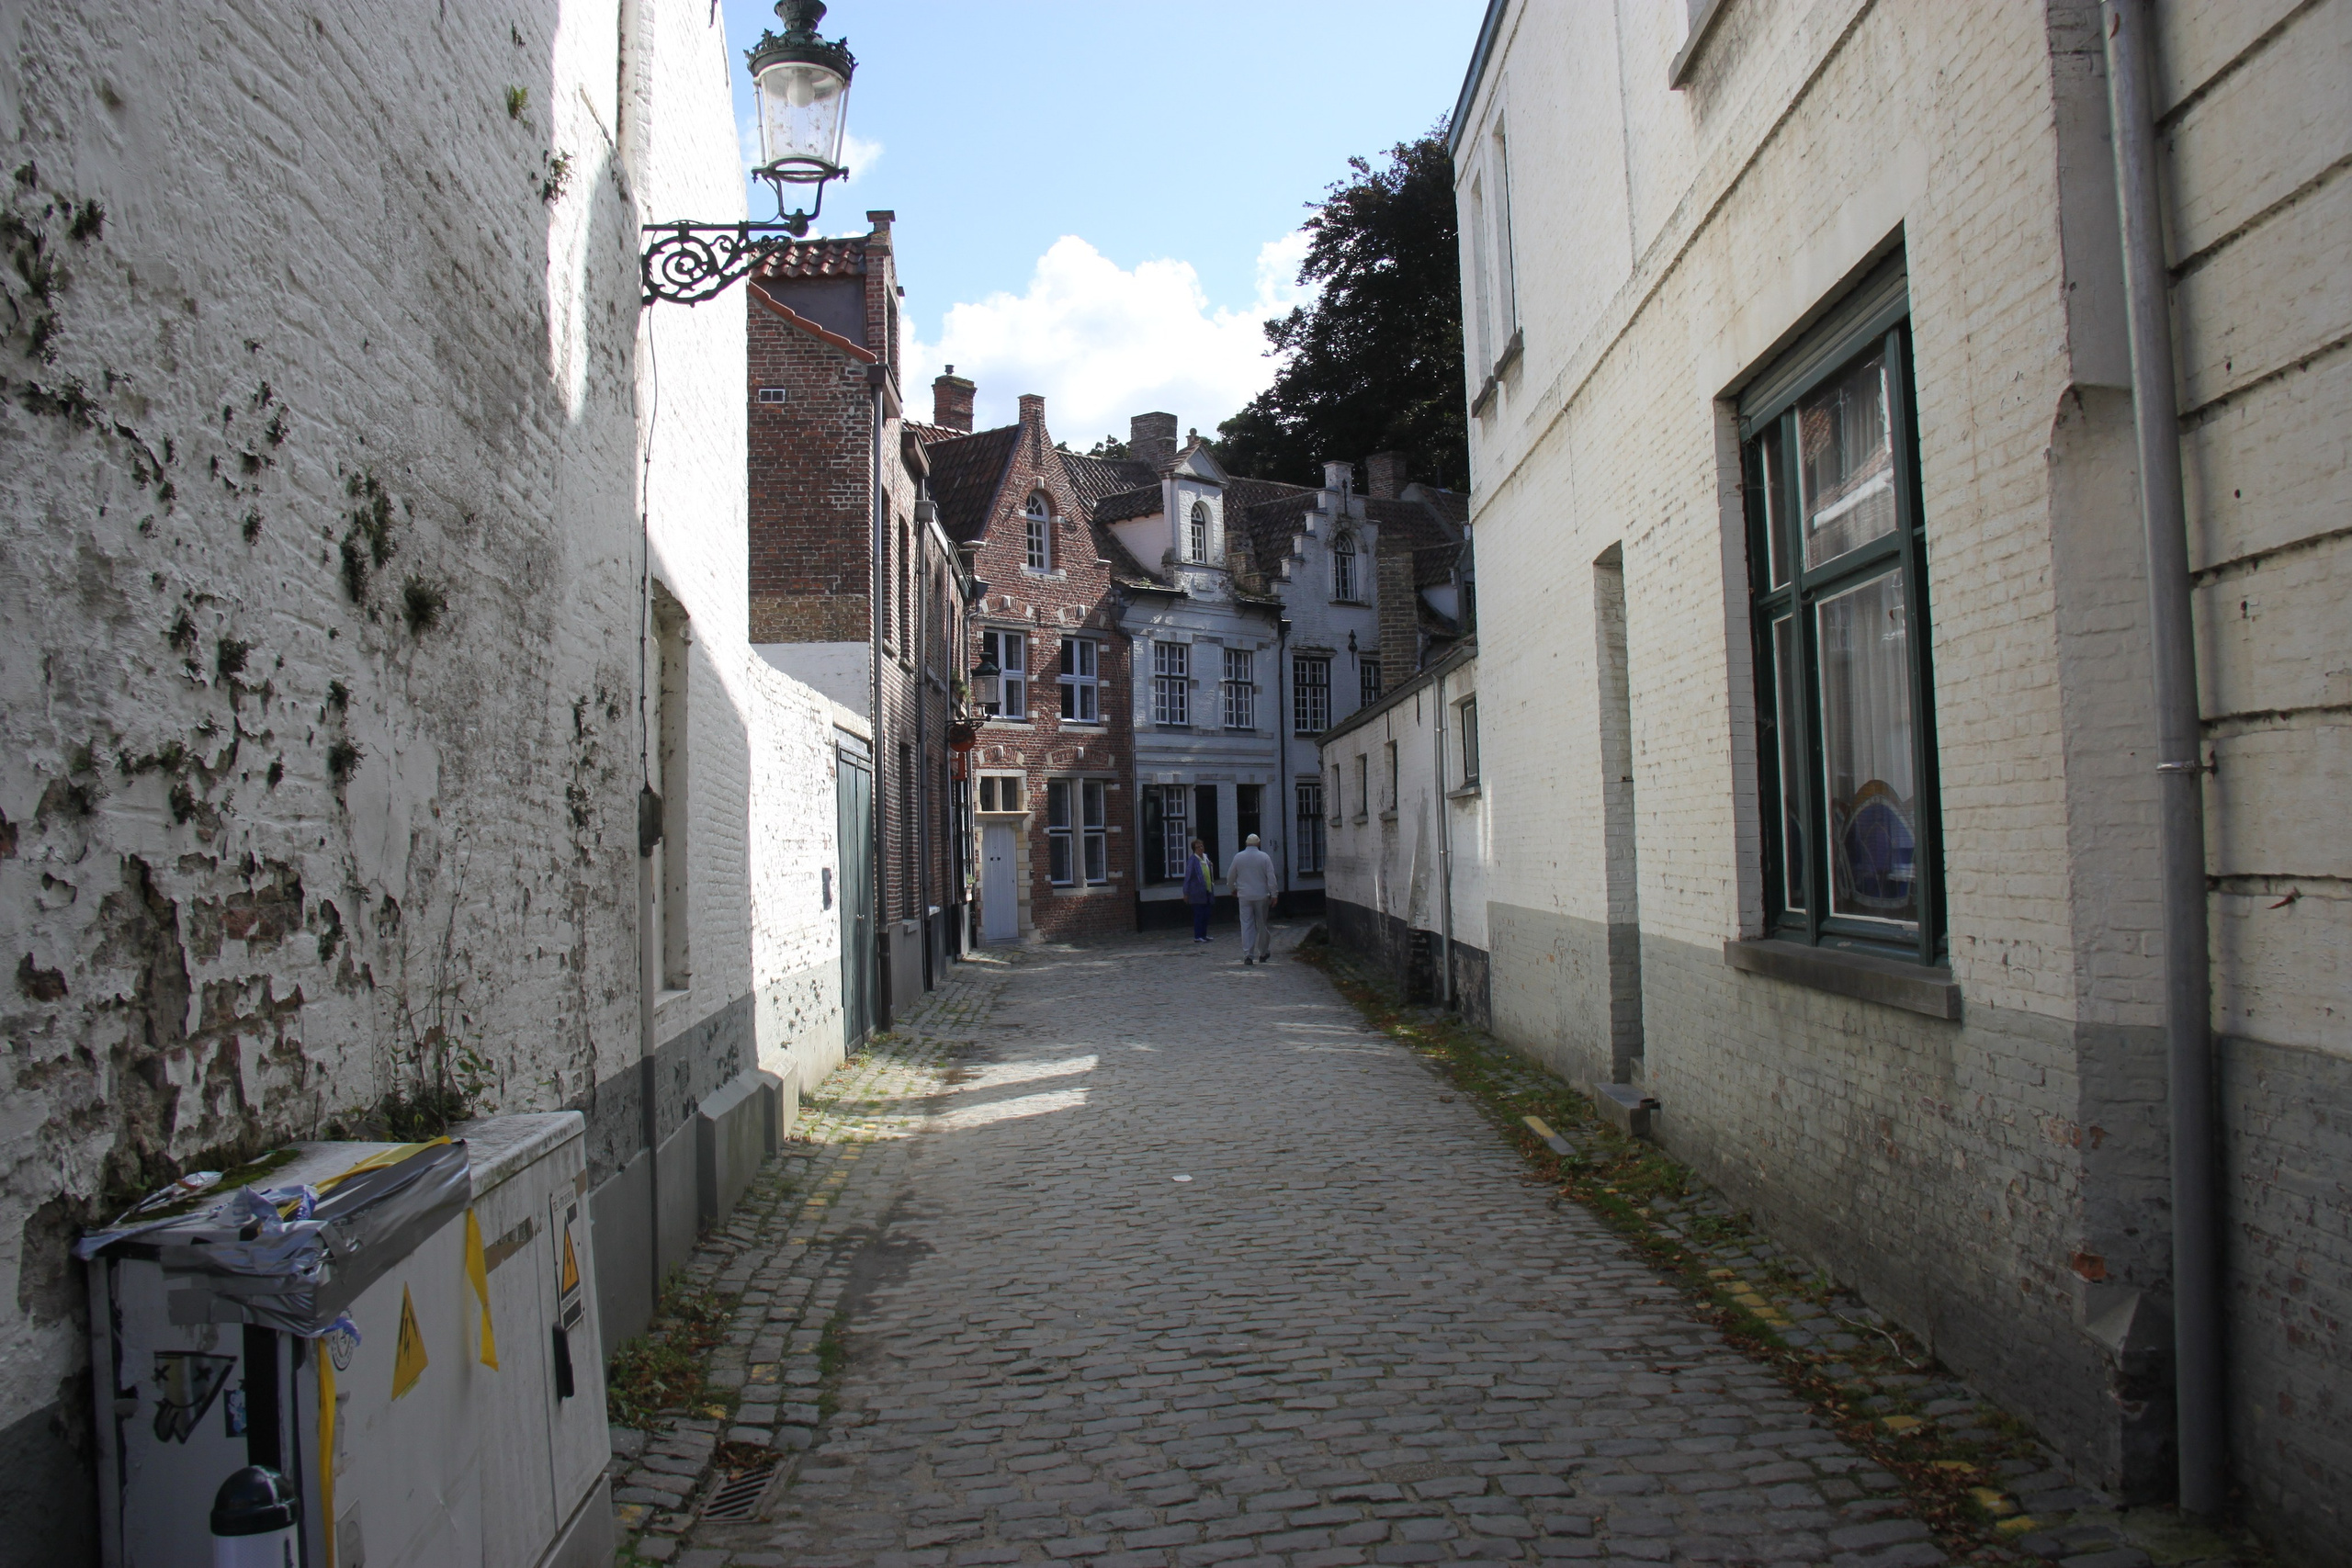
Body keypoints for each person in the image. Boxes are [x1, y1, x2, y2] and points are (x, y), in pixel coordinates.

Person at [1228, 832, 1278, 964]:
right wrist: (1274, 894)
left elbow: (1230, 876)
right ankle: (1263, 952)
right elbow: (1271, 878)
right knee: (1262, 924)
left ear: (1246, 844)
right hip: (1261, 895)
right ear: (1259, 844)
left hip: (1244, 896)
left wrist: (1233, 888)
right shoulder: (1264, 857)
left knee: (1246, 924)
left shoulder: (1238, 857)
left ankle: (1248, 955)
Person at [1182, 837, 1216, 942]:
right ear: (1194, 849)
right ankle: (1198, 936)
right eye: (1198, 847)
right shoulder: (1193, 860)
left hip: (1207, 890)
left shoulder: (1206, 858)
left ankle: (1204, 935)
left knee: (1206, 914)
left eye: (1201, 846)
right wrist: (1186, 893)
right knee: (1199, 914)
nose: (1200, 848)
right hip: (1196, 892)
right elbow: (1188, 877)